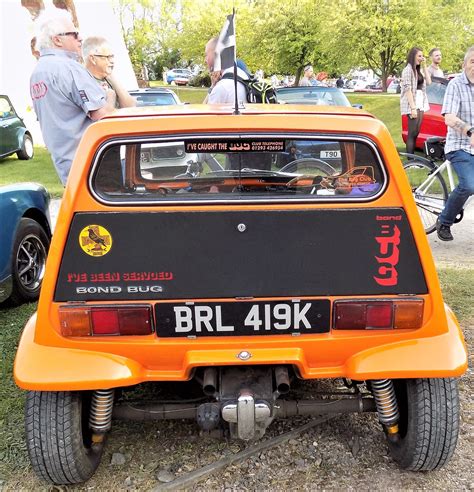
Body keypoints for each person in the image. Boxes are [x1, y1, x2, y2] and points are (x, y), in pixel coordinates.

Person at [30, 8, 115, 185]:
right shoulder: (69, 68)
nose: (80, 38)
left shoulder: (37, 73)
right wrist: (109, 95)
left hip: (66, 167)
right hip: (95, 165)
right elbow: (103, 116)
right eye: (74, 34)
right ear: (57, 40)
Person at [436, 46, 474, 241]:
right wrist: (469, 131)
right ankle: (444, 221)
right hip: (459, 145)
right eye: (473, 62)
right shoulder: (456, 85)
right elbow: (449, 117)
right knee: (468, 186)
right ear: (464, 64)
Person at [82, 36, 135, 108]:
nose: (112, 61)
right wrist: (111, 96)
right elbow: (99, 115)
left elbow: (130, 107)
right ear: (93, 59)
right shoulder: (83, 82)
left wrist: (113, 79)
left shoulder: (109, 78)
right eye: (108, 57)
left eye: (112, 56)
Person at [400, 47, 432, 154]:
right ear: (413, 56)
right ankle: (410, 160)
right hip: (412, 102)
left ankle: (412, 159)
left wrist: (424, 65)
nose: (421, 58)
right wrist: (412, 107)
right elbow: (407, 89)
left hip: (420, 101)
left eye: (422, 56)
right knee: (412, 132)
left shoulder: (419, 70)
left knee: (416, 132)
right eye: (419, 56)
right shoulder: (407, 70)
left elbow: (429, 82)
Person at [203, 36, 248, 104]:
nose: (205, 60)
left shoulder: (221, 88)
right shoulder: (243, 75)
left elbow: (204, 112)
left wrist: (212, 88)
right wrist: (213, 85)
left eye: (207, 55)